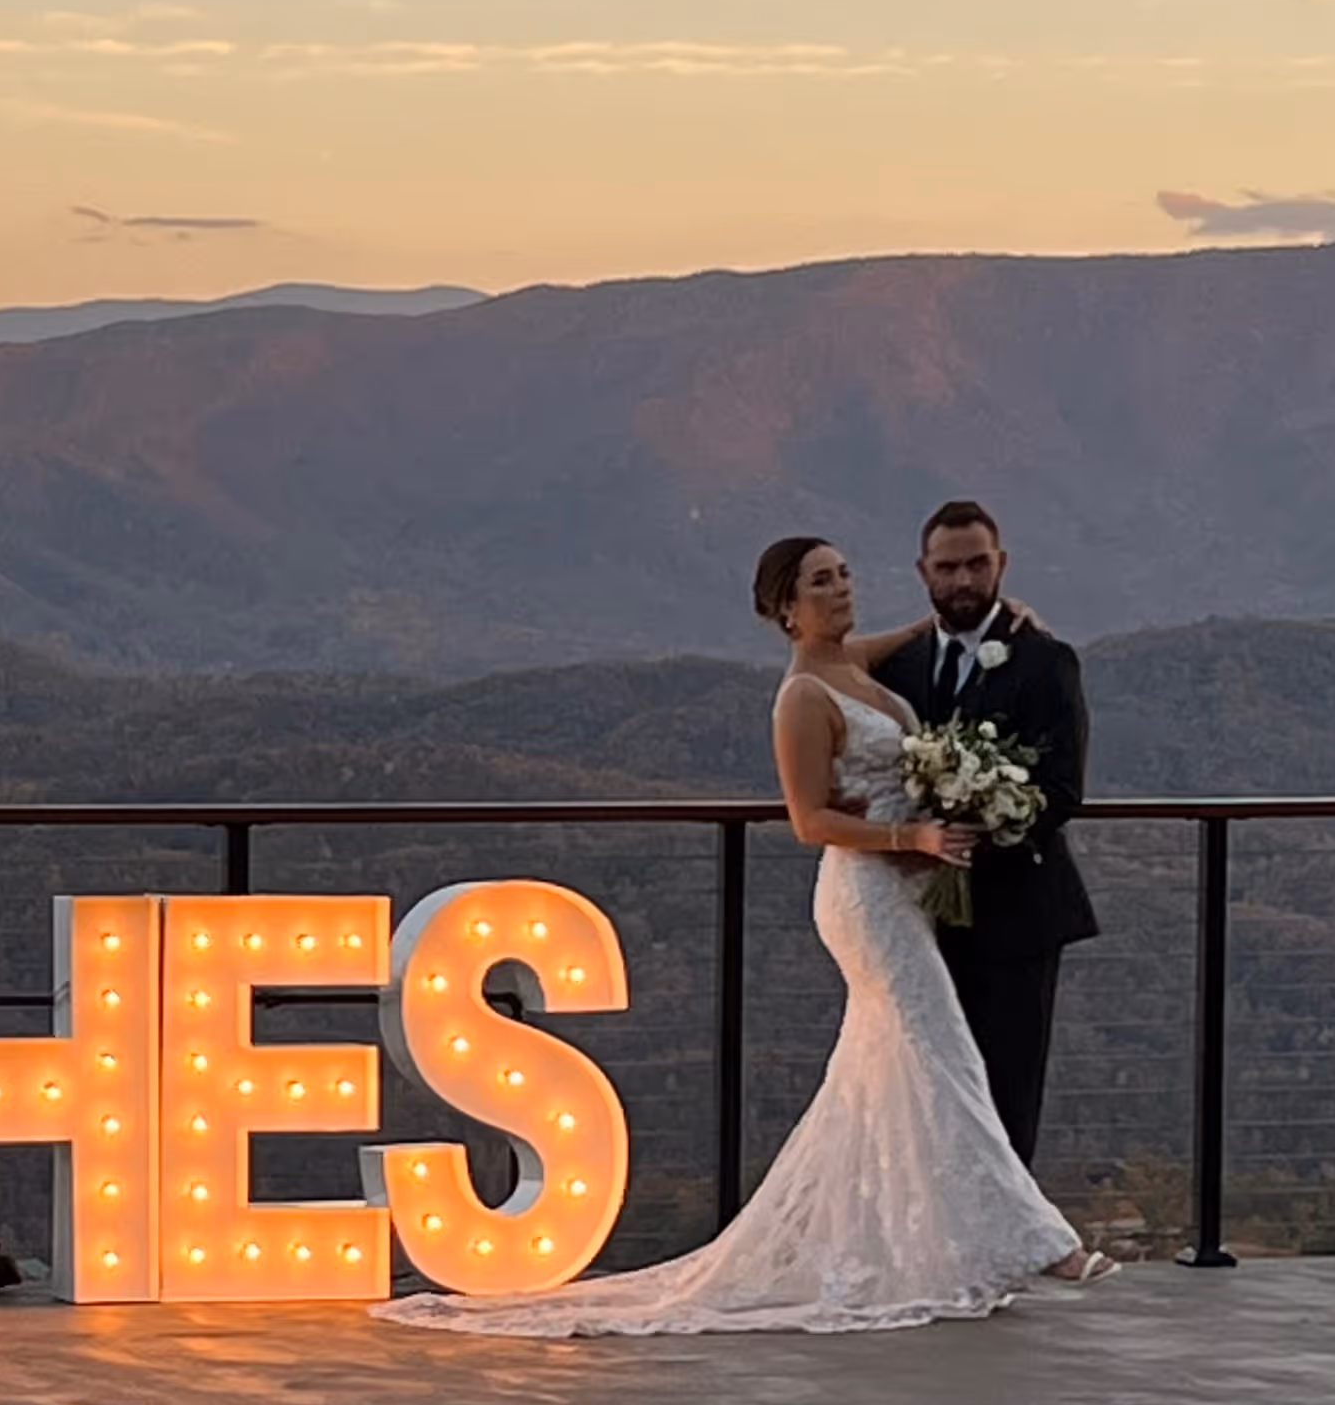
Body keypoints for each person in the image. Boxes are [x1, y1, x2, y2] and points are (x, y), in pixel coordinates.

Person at [374, 536, 1116, 1337]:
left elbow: (909, 639)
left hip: (904, 900)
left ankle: (927, 1242)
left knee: (893, 1074)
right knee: (945, 1059)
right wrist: (915, 842)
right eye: (820, 582)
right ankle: (1042, 1243)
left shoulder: (853, 662)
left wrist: (1009, 620)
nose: (840, 590)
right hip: (866, 897)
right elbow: (809, 821)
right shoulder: (802, 696)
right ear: (786, 609)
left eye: (844, 575)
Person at [868, 500, 1097, 1166]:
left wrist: (977, 826)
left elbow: (1061, 790)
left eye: (977, 563)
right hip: (916, 919)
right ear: (923, 572)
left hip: (1020, 915)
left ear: (1002, 564)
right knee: (925, 1089)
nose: (964, 580)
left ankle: (1007, 1250)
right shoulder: (896, 666)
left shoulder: (1046, 660)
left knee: (1007, 1089)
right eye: (948, 567)